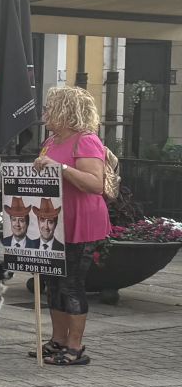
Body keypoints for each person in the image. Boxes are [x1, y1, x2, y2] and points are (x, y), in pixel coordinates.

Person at [34, 85, 115, 368]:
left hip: (82, 219)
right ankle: (57, 339)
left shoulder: (86, 141)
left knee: (72, 284)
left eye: (49, 108)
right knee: (53, 282)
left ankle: (75, 345)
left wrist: (61, 168)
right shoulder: (51, 141)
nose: (44, 114)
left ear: (66, 111)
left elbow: (94, 184)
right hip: (56, 220)